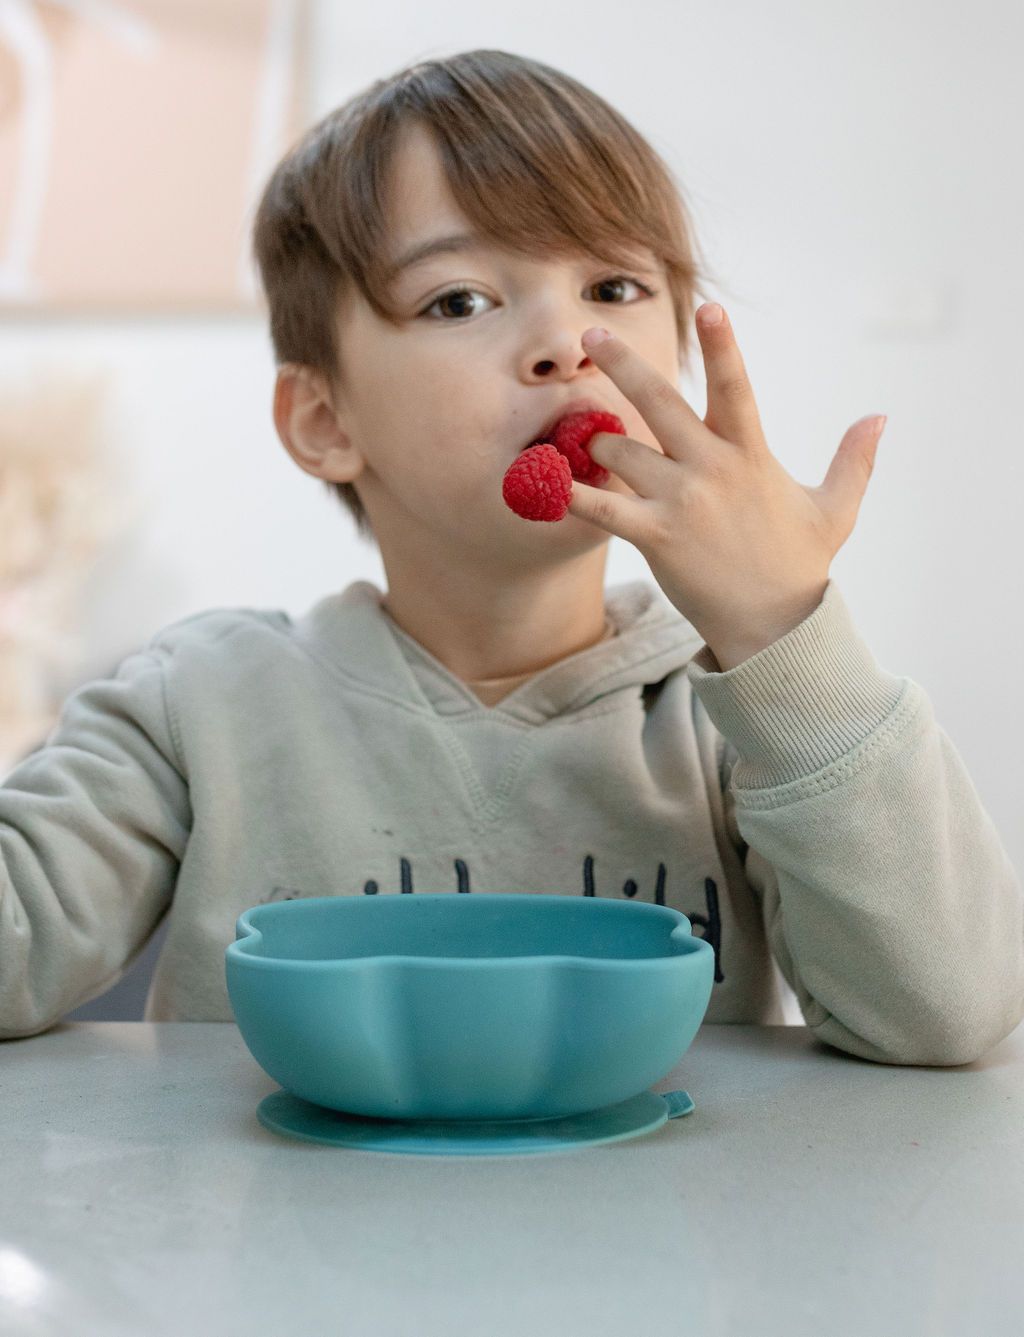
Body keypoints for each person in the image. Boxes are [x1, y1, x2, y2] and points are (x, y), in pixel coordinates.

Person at [1, 50, 1021, 1063]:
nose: (566, 342)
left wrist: (784, 630)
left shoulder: (731, 721)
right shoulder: (197, 707)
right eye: (458, 300)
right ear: (323, 418)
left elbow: (947, 1015)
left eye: (613, 286)